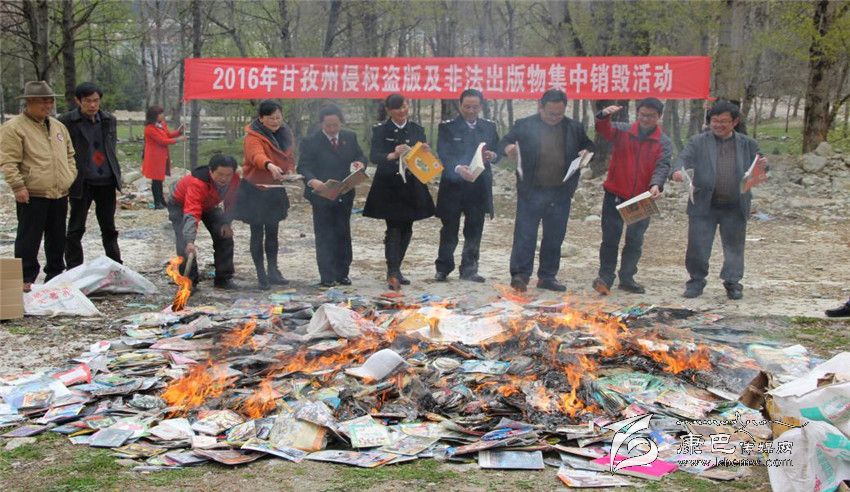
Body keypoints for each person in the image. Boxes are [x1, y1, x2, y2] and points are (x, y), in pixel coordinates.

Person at [498, 89, 594, 292]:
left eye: (559, 114)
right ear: (540, 107)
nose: (555, 118)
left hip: (560, 191)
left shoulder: (573, 127)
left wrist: (586, 152)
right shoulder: (525, 125)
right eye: (551, 113)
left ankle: (547, 277)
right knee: (525, 234)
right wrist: (509, 149)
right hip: (531, 190)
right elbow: (504, 142)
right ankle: (520, 275)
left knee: (554, 236)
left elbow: (589, 145)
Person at [672, 101, 766, 300]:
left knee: (734, 247)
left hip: (735, 204)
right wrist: (677, 171)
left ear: (735, 122)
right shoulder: (698, 141)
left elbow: (761, 166)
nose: (718, 125)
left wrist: (764, 167)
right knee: (698, 246)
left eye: (724, 121)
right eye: (715, 121)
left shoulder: (747, 143)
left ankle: (733, 283)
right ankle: (696, 282)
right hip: (704, 202)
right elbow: (682, 159)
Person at [0, 81, 76, 292]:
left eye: (50, 101)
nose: (48, 105)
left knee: (57, 237)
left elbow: (70, 155)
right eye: (43, 101)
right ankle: (25, 277)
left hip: (59, 192)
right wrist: (18, 186)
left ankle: (55, 274)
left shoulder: (58, 126)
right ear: (29, 102)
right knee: (29, 238)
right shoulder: (14, 128)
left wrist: (69, 176)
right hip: (32, 193)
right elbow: (8, 161)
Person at [591, 98, 672, 295]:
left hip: (642, 197)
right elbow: (603, 129)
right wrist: (603, 115)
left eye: (651, 116)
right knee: (610, 238)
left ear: (659, 117)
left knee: (635, 240)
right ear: (637, 113)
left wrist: (656, 184)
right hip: (615, 193)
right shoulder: (623, 130)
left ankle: (627, 278)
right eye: (643, 115)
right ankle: (605, 277)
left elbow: (662, 166)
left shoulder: (664, 141)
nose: (646, 119)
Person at [363, 93, 435, 290]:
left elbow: (422, 158)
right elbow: (374, 156)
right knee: (394, 227)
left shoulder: (417, 129)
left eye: (404, 107)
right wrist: (393, 154)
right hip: (389, 184)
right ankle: (392, 271)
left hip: (411, 184)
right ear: (388, 110)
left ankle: (397, 268)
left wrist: (425, 151)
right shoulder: (380, 129)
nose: (402, 111)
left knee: (407, 227)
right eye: (397, 108)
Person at [434, 89, 500, 283]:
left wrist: (493, 155)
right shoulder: (447, 127)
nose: (471, 111)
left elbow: (497, 151)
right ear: (460, 105)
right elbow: (443, 153)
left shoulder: (489, 127)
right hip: (454, 185)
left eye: (475, 107)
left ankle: (469, 269)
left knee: (474, 228)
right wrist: (457, 168)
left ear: (481, 106)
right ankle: (443, 267)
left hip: (478, 186)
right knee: (449, 229)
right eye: (467, 107)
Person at [298, 104, 367, 287]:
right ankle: (327, 275)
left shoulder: (349, 137)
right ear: (321, 124)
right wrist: (313, 181)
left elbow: (360, 156)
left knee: (343, 232)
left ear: (340, 122)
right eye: (328, 125)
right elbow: (303, 166)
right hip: (322, 193)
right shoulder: (311, 141)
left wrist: (360, 164)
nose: (332, 129)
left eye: (335, 125)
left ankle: (342, 273)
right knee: (324, 234)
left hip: (345, 191)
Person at [58, 82, 123, 269]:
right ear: (78, 101)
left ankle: (115, 265)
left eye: (96, 100)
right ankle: (74, 268)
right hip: (81, 181)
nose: (93, 105)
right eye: (88, 101)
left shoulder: (109, 120)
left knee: (109, 227)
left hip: (106, 181)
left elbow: (110, 148)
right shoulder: (67, 121)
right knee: (76, 227)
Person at [237, 99, 295, 290]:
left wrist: (290, 170)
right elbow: (256, 156)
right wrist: (269, 165)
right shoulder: (253, 136)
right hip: (255, 189)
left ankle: (273, 270)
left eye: (278, 117)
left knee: (273, 231)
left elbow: (289, 157)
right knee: (257, 232)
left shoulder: (285, 133)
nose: (275, 121)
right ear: (261, 118)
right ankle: (261, 273)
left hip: (275, 189)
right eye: (271, 118)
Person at [167, 153, 240, 290]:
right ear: (211, 171)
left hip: (209, 204)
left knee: (224, 236)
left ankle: (223, 279)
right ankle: (189, 282)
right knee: (184, 242)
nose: (224, 179)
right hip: (180, 204)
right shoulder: (198, 183)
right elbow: (192, 212)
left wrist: (227, 223)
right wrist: (190, 241)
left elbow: (231, 202)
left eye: (228, 175)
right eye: (220, 174)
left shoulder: (235, 179)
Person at [142, 105, 185, 209]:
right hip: (154, 157)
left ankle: (161, 200)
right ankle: (157, 202)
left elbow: (168, 135)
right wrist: (178, 139)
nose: (162, 115)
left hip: (162, 156)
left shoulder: (162, 124)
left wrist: (178, 132)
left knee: (160, 179)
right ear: (154, 116)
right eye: (160, 113)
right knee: (156, 180)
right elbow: (162, 141)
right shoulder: (149, 129)